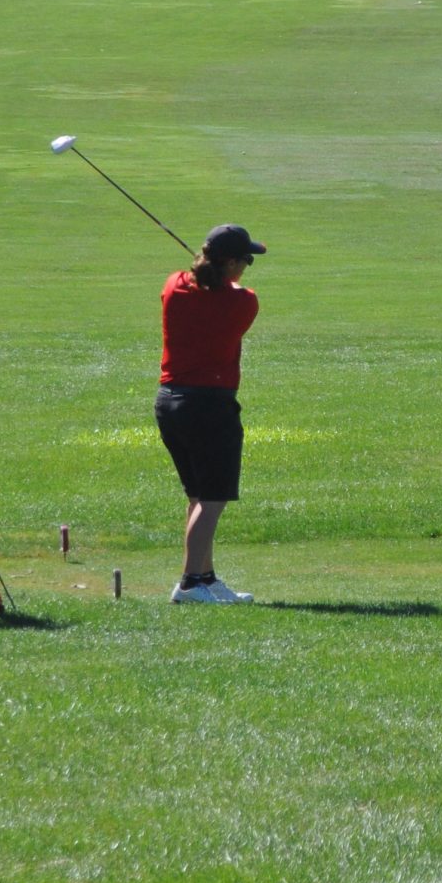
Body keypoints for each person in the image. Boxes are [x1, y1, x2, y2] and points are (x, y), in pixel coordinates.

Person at [157, 223, 266, 604]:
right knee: (213, 498)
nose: (248, 268)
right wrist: (222, 279)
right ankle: (189, 584)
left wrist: (209, 273)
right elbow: (234, 293)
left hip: (170, 403)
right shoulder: (242, 301)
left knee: (198, 495)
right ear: (232, 264)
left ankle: (205, 578)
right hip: (209, 406)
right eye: (246, 261)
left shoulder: (174, 286)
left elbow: (190, 281)